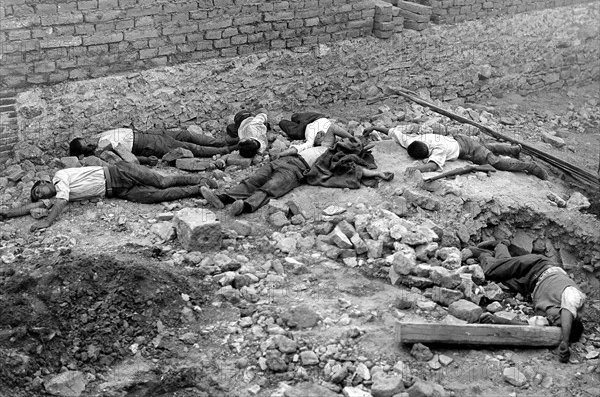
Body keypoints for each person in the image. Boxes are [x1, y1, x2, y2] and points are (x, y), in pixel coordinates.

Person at [200, 126, 393, 216]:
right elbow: (333, 128)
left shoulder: (339, 157)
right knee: (254, 179)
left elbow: (355, 169)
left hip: (298, 169)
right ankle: (223, 198)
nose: (345, 141)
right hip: (287, 160)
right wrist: (353, 136)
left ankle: (245, 206)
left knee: (271, 187)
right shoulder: (326, 146)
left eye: (349, 143)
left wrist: (377, 174)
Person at [0, 162, 215, 231]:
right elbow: (33, 206)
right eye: (38, 196)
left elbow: (62, 202)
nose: (41, 195)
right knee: (158, 196)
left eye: (39, 190)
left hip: (118, 172)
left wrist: (47, 222)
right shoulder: (57, 196)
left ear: (45, 182)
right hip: (118, 191)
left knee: (161, 181)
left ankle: (201, 179)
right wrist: (8, 214)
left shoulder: (59, 178)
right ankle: (199, 190)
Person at [469, 241, 586, 362]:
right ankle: (487, 251)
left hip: (529, 285)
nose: (551, 319)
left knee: (502, 273)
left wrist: (498, 320)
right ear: (572, 319)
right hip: (538, 266)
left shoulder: (551, 321)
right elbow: (567, 311)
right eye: (557, 321)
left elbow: (526, 326)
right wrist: (565, 341)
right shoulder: (574, 297)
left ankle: (498, 249)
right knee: (491, 271)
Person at [363, 125, 548, 180]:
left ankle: (531, 167)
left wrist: (417, 169)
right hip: (459, 139)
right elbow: (394, 132)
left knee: (494, 161)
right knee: (485, 146)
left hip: (466, 149)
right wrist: (374, 128)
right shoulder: (412, 141)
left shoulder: (437, 150)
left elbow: (434, 165)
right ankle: (514, 149)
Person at [69, 127, 236, 163]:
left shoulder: (97, 137)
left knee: (185, 134)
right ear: (85, 153)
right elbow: (128, 158)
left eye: (86, 139)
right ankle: (226, 150)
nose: (90, 141)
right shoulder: (101, 152)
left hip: (147, 133)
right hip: (146, 143)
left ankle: (223, 142)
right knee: (187, 147)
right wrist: (147, 160)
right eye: (87, 145)